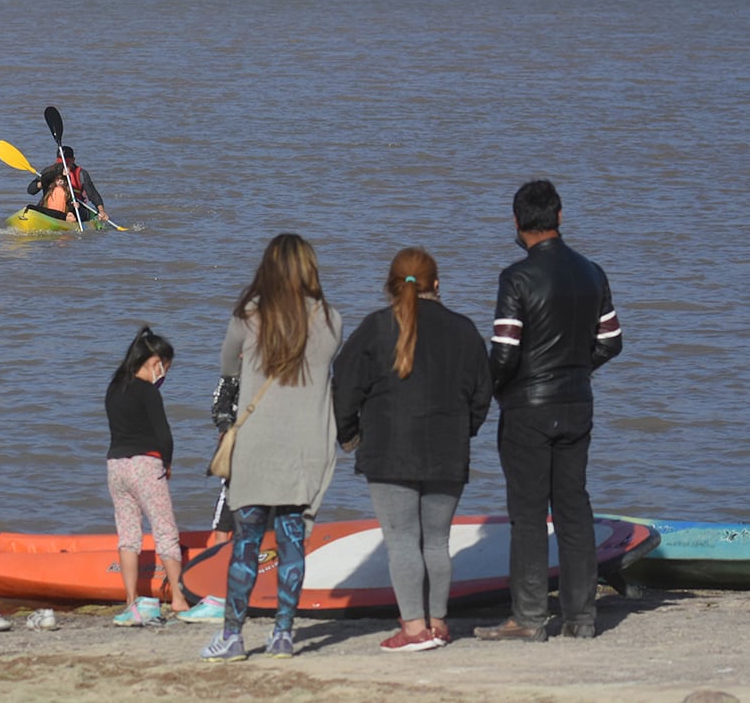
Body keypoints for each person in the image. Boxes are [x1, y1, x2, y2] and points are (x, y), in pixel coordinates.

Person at [475, 180, 622, 642]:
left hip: (528, 409)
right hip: (577, 402)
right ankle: (581, 617)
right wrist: (577, 369)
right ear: (560, 217)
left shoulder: (516, 278)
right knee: (574, 507)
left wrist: (490, 393)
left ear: (517, 224)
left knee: (528, 511)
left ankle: (529, 617)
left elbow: (502, 354)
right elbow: (612, 341)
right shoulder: (593, 272)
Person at [332, 248, 492, 652]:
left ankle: (415, 629)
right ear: (437, 284)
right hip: (447, 448)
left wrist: (349, 434)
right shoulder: (464, 329)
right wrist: (464, 430)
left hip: (388, 450)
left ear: (390, 286)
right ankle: (438, 624)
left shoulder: (375, 327)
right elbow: (482, 393)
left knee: (402, 539)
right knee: (437, 541)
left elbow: (344, 387)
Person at [200, 233, 343, 661]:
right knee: (291, 542)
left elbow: (228, 366)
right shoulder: (331, 319)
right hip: (305, 448)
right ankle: (283, 633)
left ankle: (233, 636)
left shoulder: (248, 316)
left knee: (245, 542)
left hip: (256, 448)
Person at [105, 325, 192, 626]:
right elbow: (163, 435)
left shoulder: (115, 388)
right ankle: (179, 598)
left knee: (128, 535)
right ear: (155, 363)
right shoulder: (148, 392)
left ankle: (131, 601)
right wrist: (166, 463)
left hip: (116, 465)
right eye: (166, 365)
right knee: (165, 530)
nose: (166, 372)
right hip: (145, 464)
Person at [27, 146, 107, 222]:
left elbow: (93, 194)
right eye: (60, 163)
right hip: (51, 207)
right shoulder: (49, 171)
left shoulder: (81, 174)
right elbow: (31, 190)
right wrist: (44, 182)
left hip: (74, 207)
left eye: (66, 163)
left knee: (77, 209)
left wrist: (101, 211)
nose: (63, 166)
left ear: (73, 160)